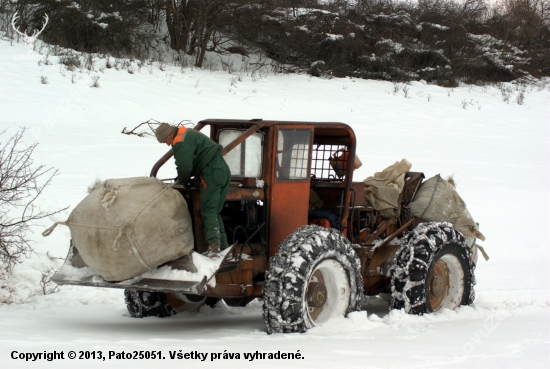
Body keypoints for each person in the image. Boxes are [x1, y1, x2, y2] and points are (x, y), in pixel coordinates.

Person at [155, 123, 230, 257]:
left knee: (208, 210)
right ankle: (224, 249)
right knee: (215, 211)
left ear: (169, 134)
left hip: (211, 173)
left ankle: (214, 249)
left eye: (165, 140)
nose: (167, 144)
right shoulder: (186, 133)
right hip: (222, 170)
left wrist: (184, 180)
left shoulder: (179, 140)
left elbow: (184, 166)